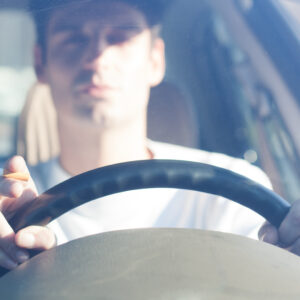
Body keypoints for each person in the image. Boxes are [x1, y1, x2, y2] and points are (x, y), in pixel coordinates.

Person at [0, 0, 298, 270]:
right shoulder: (14, 207)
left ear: (155, 60)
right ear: (41, 63)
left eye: (121, 37)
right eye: (74, 38)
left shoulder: (233, 192)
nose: (97, 55)